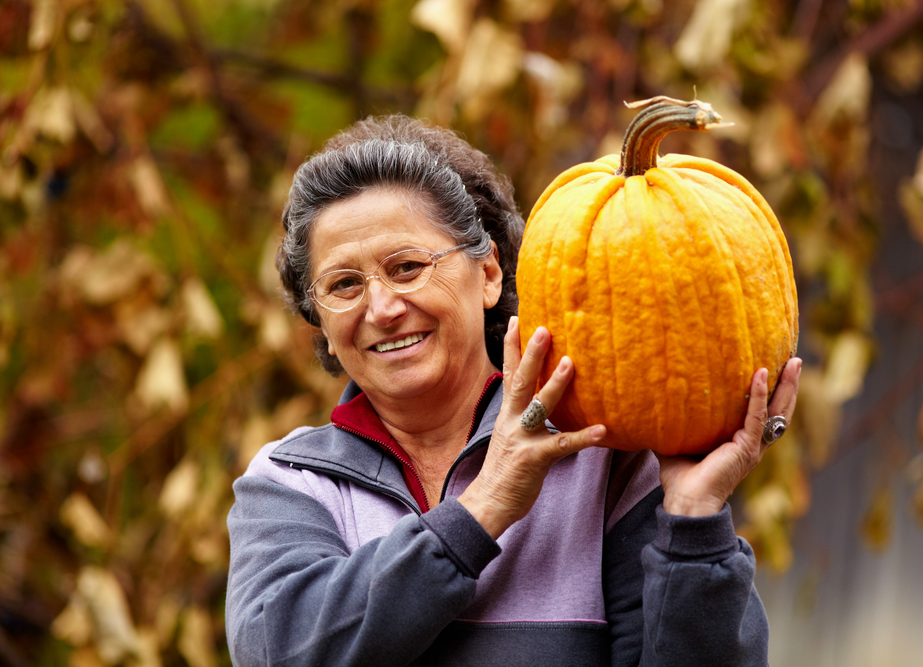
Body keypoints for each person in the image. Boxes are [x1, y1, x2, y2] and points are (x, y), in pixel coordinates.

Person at [225, 115, 802, 667]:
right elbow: (279, 649)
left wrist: (695, 520)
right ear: (319, 322)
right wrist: (482, 509)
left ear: (491, 274)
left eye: (406, 268)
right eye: (344, 285)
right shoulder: (290, 481)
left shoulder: (602, 460)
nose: (382, 309)